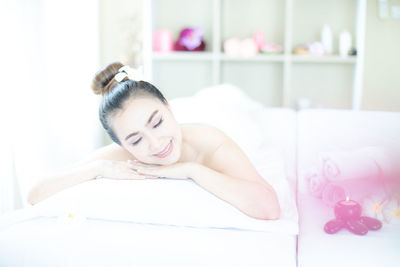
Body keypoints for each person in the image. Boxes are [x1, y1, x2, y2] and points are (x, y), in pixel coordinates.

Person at [27, 62, 280, 220]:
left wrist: (192, 170)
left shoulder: (210, 142)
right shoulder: (123, 155)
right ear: (123, 145)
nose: (156, 143)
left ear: (168, 107)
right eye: (136, 140)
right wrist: (98, 169)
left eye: (157, 122)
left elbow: (269, 208)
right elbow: (35, 194)